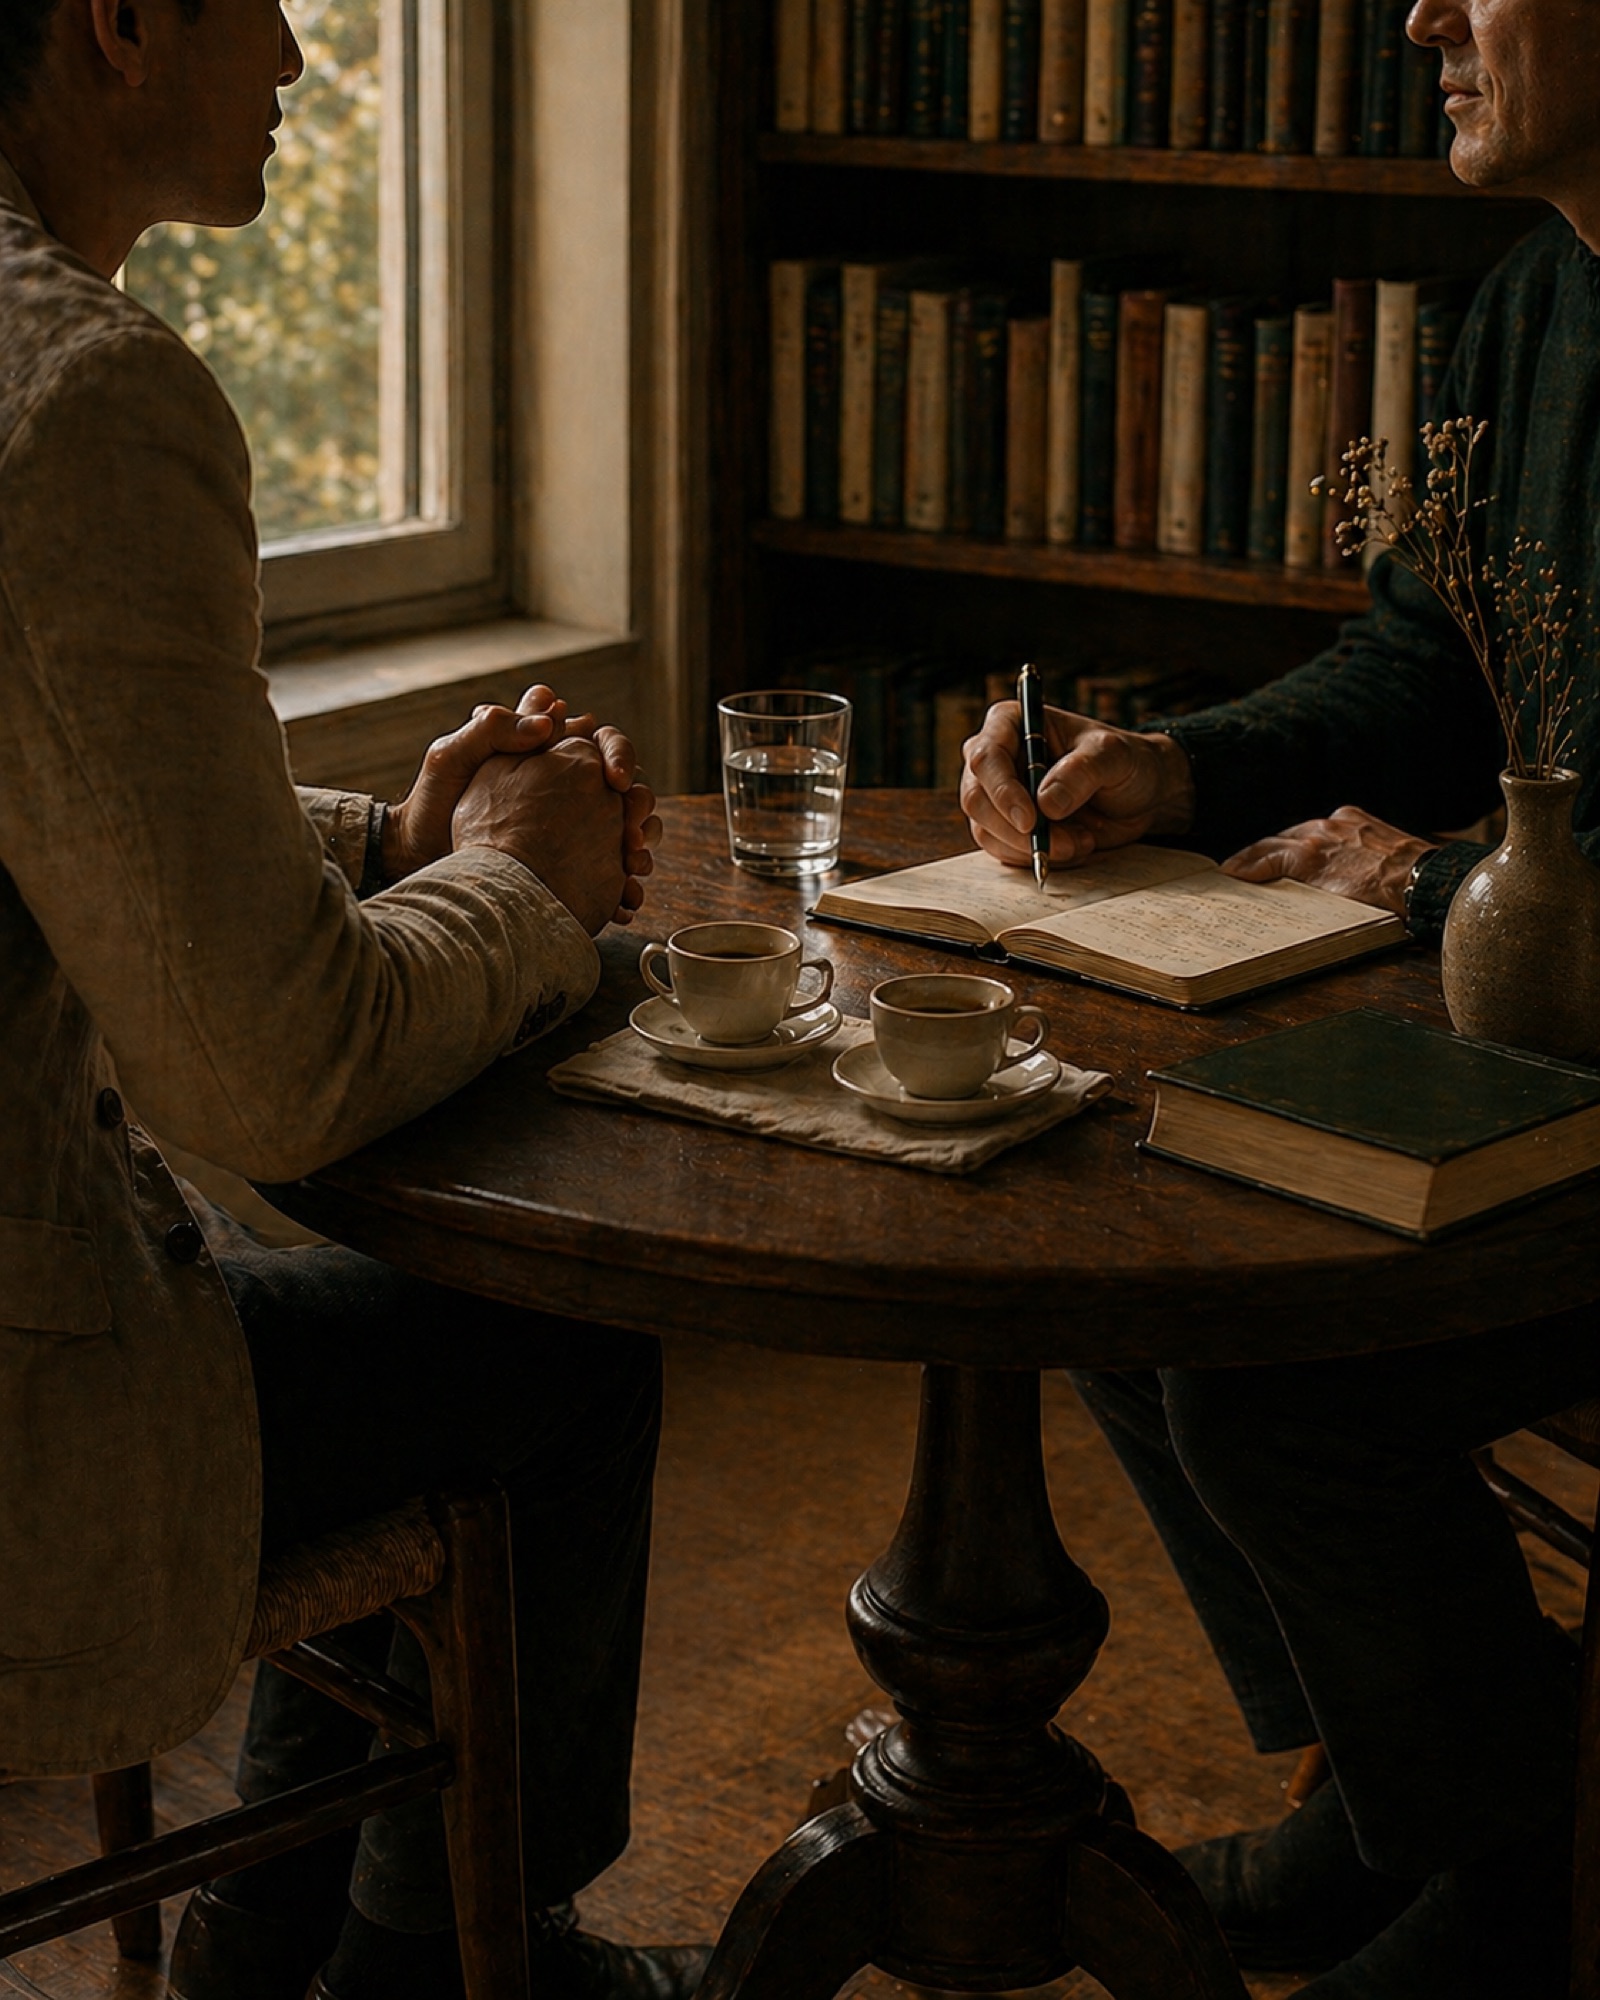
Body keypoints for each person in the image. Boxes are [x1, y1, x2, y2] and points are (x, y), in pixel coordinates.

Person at [0, 0, 709, 1996]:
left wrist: (408, 841)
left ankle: (258, 1937)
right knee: (556, 1328)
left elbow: (68, 788)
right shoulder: (82, 397)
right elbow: (272, 1078)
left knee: (367, 1332)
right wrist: (523, 879)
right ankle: (457, 1954)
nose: (307, 48)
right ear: (121, 28)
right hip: (25, 1441)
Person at [960, 0, 1600, 1994]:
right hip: (1525, 1047)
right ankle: (1416, 1799)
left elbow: (1444, 793)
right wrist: (1170, 764)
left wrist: (1417, 876)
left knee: (1278, 1382)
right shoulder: (1525, 304)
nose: (1417, 11)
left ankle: (1507, 1870)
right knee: (1107, 1242)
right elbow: (1418, 676)